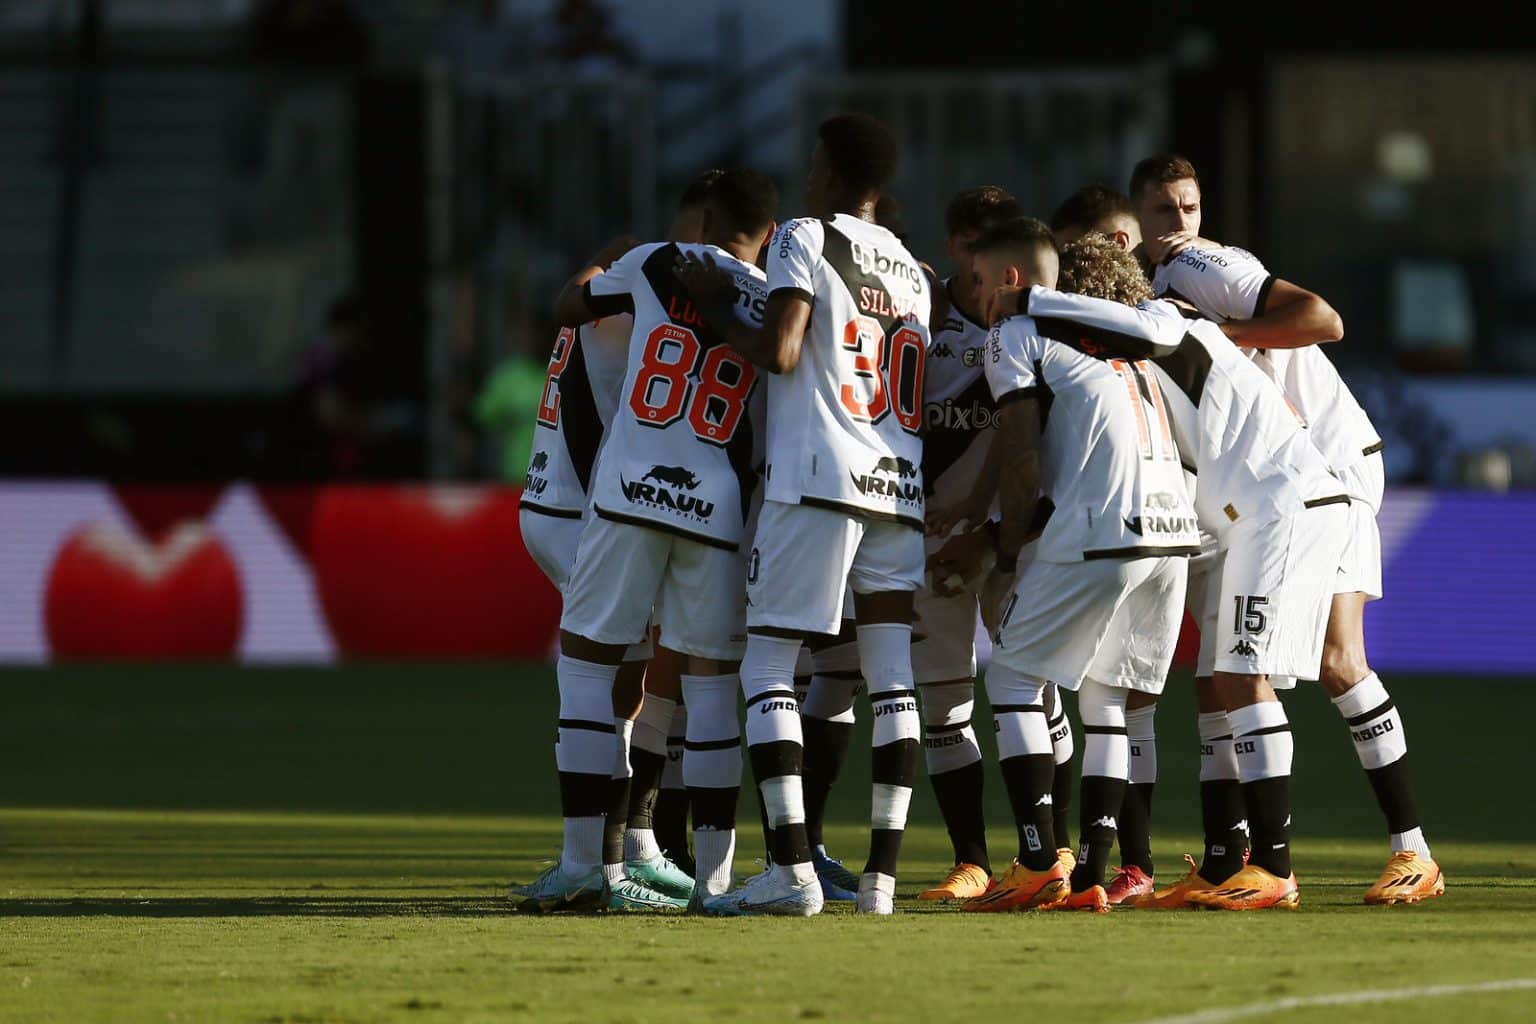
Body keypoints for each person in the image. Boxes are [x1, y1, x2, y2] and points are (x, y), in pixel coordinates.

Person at [1128, 154, 1442, 906]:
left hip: (1323, 471)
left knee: (1337, 660)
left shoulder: (1203, 264)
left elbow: (1321, 319)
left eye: (1190, 205)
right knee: (1222, 673)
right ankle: (1228, 861)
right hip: (1266, 486)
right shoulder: (1161, 288)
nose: (1180, 221)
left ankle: (1412, 851)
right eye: (1166, 208)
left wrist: (1223, 337)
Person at [675, 113, 929, 915]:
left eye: (814, 159)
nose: (807, 171)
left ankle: (790, 872)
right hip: (899, 486)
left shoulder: (804, 235)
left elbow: (784, 349)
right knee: (892, 679)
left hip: (817, 474)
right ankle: (881, 882)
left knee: (767, 666)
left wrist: (717, 309)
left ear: (828, 172)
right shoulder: (914, 273)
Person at [514, 168, 778, 913]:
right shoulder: (776, 304)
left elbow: (569, 307)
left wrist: (612, 258)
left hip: (630, 487)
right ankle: (719, 886)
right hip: (718, 505)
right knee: (710, 688)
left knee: (588, 672)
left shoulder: (658, 261)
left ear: (703, 215)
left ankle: (579, 867)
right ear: (767, 230)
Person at [955, 222, 1198, 913]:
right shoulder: (1132, 352)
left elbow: (1024, 457)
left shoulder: (1017, 333)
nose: (975, 297)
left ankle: (1037, 861)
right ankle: (1094, 871)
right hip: (1172, 533)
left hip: (1103, 530)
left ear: (1010, 280)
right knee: (1106, 701)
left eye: (979, 281)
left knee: (1011, 677)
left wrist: (1002, 556)